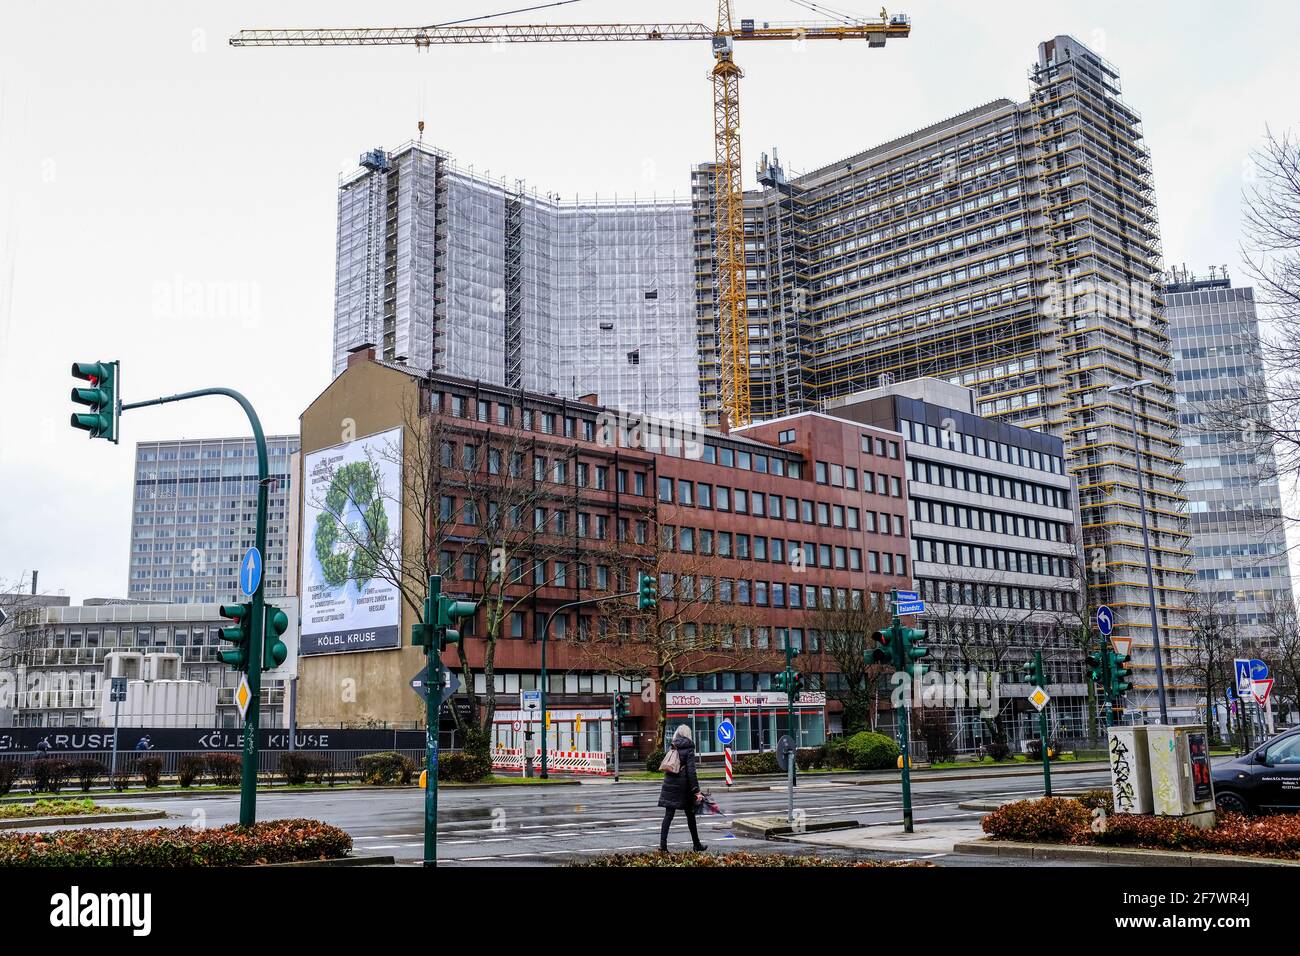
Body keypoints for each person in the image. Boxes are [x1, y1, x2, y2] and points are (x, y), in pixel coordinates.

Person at [658, 724, 707, 853]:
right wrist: (696, 790)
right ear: (688, 734)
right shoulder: (689, 748)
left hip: (669, 784)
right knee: (690, 816)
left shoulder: (673, 746)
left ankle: (663, 846)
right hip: (684, 787)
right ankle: (696, 844)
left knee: (668, 816)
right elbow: (691, 771)